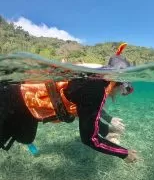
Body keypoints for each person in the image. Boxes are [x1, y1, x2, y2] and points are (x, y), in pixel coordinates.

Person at [0, 43, 138, 163]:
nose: (121, 93)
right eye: (125, 89)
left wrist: (107, 130)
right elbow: (90, 139)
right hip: (12, 99)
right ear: (118, 83)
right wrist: (123, 153)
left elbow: (84, 113)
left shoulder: (94, 81)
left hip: (30, 108)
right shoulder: (96, 90)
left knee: (26, 138)